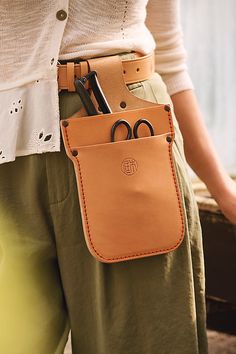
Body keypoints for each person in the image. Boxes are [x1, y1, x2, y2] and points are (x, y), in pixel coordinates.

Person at [0, 1, 235, 353]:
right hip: (9, 152)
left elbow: (170, 61)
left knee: (145, 342)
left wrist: (226, 195)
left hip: (127, 137)